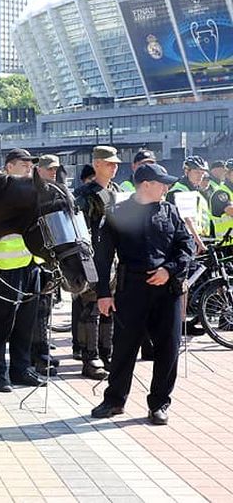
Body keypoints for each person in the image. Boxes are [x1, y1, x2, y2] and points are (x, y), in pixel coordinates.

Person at [91, 163, 194, 425]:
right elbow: (103, 259)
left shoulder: (170, 211)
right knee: (124, 347)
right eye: (162, 183)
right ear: (146, 184)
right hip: (132, 289)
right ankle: (114, 400)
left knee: (167, 350)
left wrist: (169, 270)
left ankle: (159, 404)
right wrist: (103, 293)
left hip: (166, 290)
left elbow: (186, 246)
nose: (166, 188)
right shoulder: (117, 213)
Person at [0, 148, 46, 392]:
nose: (29, 167)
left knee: (26, 324)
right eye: (23, 163)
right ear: (9, 166)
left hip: (31, 264)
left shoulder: (33, 191)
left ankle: (21, 369)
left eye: (30, 164)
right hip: (4, 266)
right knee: (2, 325)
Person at [74, 146, 122, 379]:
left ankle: (107, 352)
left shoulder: (118, 191)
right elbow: (79, 229)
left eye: (115, 164)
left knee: (109, 307)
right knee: (91, 308)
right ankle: (90, 356)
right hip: (92, 257)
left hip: (113, 258)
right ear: (97, 164)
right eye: (109, 163)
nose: (114, 167)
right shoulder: (84, 195)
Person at [31, 155, 62, 375]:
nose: (53, 173)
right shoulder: (31, 192)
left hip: (49, 259)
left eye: (56, 169)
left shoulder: (57, 191)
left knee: (45, 308)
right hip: (30, 260)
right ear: (38, 170)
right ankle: (37, 355)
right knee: (34, 312)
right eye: (49, 169)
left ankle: (41, 352)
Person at [166, 156, 212, 254]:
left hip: (196, 238)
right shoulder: (180, 190)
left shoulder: (195, 190)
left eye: (202, 173)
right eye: (197, 172)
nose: (200, 176)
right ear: (187, 172)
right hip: (185, 241)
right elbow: (187, 219)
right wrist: (199, 242)